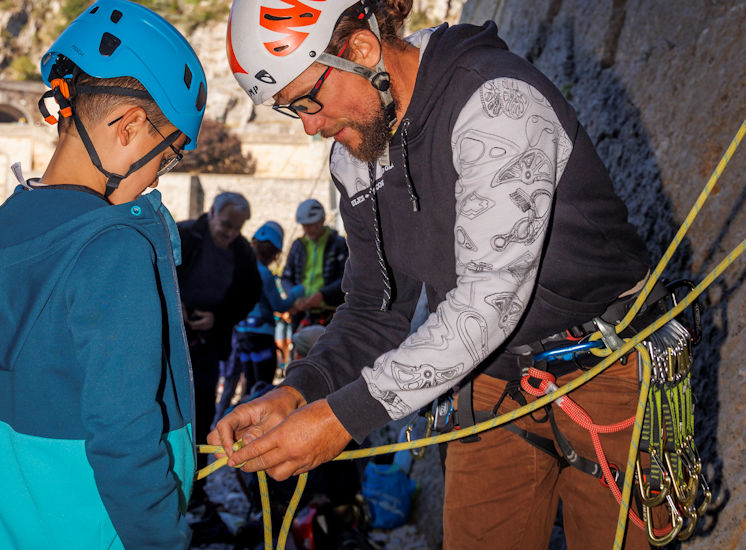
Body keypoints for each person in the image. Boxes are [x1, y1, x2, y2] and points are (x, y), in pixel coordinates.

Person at [212, 1, 660, 548]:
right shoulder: (355, 157)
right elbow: (374, 308)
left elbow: (487, 301)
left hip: (608, 369)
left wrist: (342, 419)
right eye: (291, 110)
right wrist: (299, 391)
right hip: (494, 384)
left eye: (308, 99)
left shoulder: (495, 100)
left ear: (360, 49)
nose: (309, 126)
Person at [0, 1, 206, 547]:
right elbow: (125, 436)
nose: (157, 177)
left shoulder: (8, 226)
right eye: (166, 155)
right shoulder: (112, 246)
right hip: (96, 530)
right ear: (129, 127)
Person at [176, 191, 261, 504]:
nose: (229, 233)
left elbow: (251, 293)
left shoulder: (241, 252)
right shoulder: (185, 235)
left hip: (208, 343)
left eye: (236, 228)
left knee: (202, 412)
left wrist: (219, 317)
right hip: (171, 338)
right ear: (211, 214)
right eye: (225, 224)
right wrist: (177, 306)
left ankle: (196, 491)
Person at [236, 221, 306, 391]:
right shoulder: (265, 274)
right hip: (262, 335)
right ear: (275, 253)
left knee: (250, 383)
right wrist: (297, 291)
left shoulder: (240, 267)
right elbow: (279, 306)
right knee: (263, 387)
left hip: (242, 334)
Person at [281, 198, 348, 330]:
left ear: (322, 221)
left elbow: (346, 277)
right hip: (301, 315)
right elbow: (286, 277)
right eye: (304, 225)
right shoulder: (298, 245)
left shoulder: (338, 244)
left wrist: (323, 294)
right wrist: (294, 297)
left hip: (330, 313)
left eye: (311, 224)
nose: (307, 229)